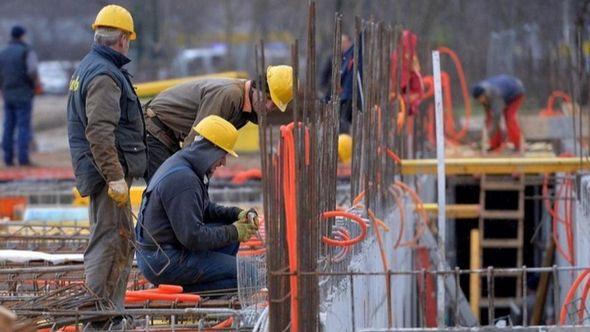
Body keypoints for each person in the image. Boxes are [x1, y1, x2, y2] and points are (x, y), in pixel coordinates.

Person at [66, 5, 145, 330]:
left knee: (119, 240)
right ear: (123, 39)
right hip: (105, 175)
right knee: (109, 243)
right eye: (129, 39)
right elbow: (98, 131)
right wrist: (114, 177)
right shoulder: (103, 74)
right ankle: (97, 319)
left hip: (102, 171)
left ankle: (109, 314)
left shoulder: (94, 66)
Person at [135, 115, 258, 293]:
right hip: (163, 261)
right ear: (212, 150)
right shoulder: (184, 180)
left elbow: (204, 208)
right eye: (223, 155)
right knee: (249, 275)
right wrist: (233, 231)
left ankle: (203, 276)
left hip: (163, 253)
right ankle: (184, 289)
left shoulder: (185, 165)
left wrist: (235, 214)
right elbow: (192, 237)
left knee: (230, 239)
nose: (223, 162)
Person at [144, 65, 293, 181]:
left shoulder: (244, 109)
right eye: (267, 99)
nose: (268, 107)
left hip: (168, 134)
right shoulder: (230, 96)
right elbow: (197, 140)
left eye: (273, 105)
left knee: (175, 187)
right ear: (257, 87)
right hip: (155, 128)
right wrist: (195, 181)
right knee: (169, 188)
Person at [0, 25, 40, 166]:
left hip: (7, 95)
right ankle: (23, 159)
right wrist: (36, 86)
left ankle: (8, 158)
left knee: (8, 126)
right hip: (23, 94)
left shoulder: (3, 52)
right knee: (23, 127)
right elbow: (32, 71)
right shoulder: (27, 51)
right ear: (22, 35)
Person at [472, 74, 524, 151]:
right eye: (478, 100)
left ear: (484, 94)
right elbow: (489, 117)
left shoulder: (495, 96)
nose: (480, 101)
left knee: (509, 118)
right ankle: (494, 145)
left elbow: (497, 119)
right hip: (503, 91)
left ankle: (518, 145)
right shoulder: (483, 93)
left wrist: (487, 137)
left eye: (481, 99)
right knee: (489, 120)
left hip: (515, 92)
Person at [320, 33, 359, 134]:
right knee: (334, 119)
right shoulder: (332, 58)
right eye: (341, 42)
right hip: (334, 94)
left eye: (345, 42)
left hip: (348, 96)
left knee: (345, 120)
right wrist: (328, 88)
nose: (343, 45)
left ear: (349, 43)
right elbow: (324, 76)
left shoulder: (354, 58)